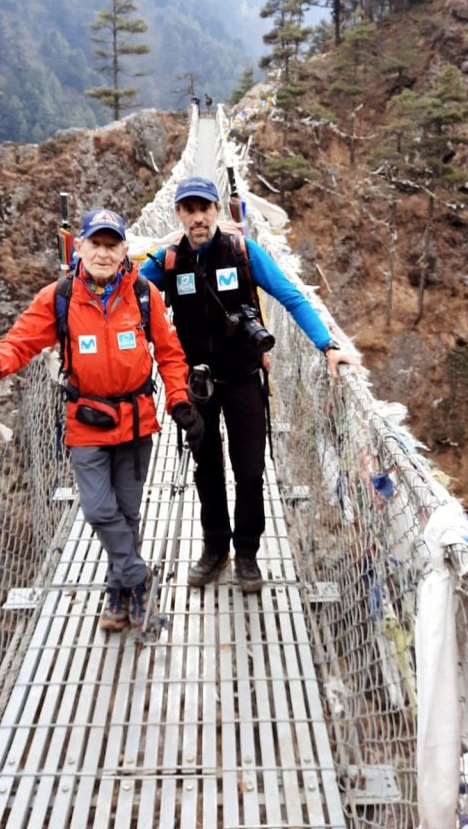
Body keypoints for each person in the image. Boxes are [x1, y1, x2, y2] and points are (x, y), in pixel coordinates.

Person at [0, 208, 204, 631]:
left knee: (128, 512)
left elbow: (170, 353)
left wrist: (178, 401)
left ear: (125, 250)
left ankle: (118, 594)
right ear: (80, 247)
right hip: (88, 421)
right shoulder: (61, 296)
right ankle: (140, 581)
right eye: (96, 244)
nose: (103, 253)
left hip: (138, 421)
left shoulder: (143, 294)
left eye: (112, 245)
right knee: (100, 510)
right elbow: (22, 339)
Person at [140, 177, 359, 593]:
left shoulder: (242, 252)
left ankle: (246, 554)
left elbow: (291, 296)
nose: (198, 217)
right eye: (189, 209)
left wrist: (327, 346)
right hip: (197, 385)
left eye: (204, 208)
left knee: (250, 470)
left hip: (243, 379)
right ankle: (214, 547)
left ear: (217, 211)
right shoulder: (168, 261)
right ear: (179, 216)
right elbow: (126, 288)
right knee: (207, 470)